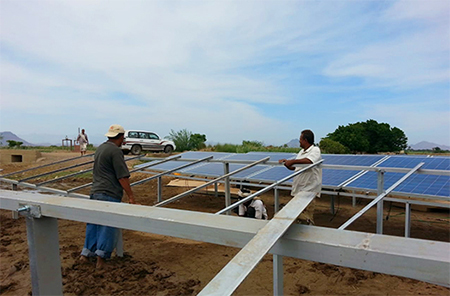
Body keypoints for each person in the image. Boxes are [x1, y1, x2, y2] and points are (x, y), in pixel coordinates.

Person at [80, 124, 136, 269]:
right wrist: (131, 196)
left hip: (95, 191)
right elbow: (122, 177)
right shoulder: (116, 152)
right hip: (109, 193)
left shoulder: (101, 148)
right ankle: (101, 258)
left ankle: (86, 254)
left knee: (93, 223)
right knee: (107, 225)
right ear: (122, 137)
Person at [278, 129, 322, 225]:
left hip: (309, 191)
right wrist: (287, 163)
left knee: (307, 218)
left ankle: (309, 235)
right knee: (297, 218)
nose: (299, 142)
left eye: (300, 139)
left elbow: (310, 161)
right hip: (298, 190)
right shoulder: (301, 152)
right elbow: (296, 168)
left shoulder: (315, 150)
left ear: (305, 140)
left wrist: (293, 161)